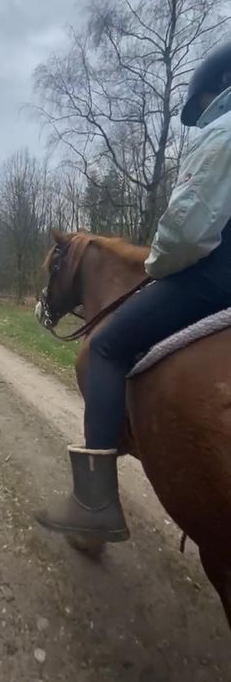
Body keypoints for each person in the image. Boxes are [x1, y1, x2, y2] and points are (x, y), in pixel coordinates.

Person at [36, 39, 231, 543]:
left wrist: (157, 264)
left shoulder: (223, 131)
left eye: (204, 98)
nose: (203, 113)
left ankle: (94, 502)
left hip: (217, 278)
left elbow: (188, 229)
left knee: (104, 346)